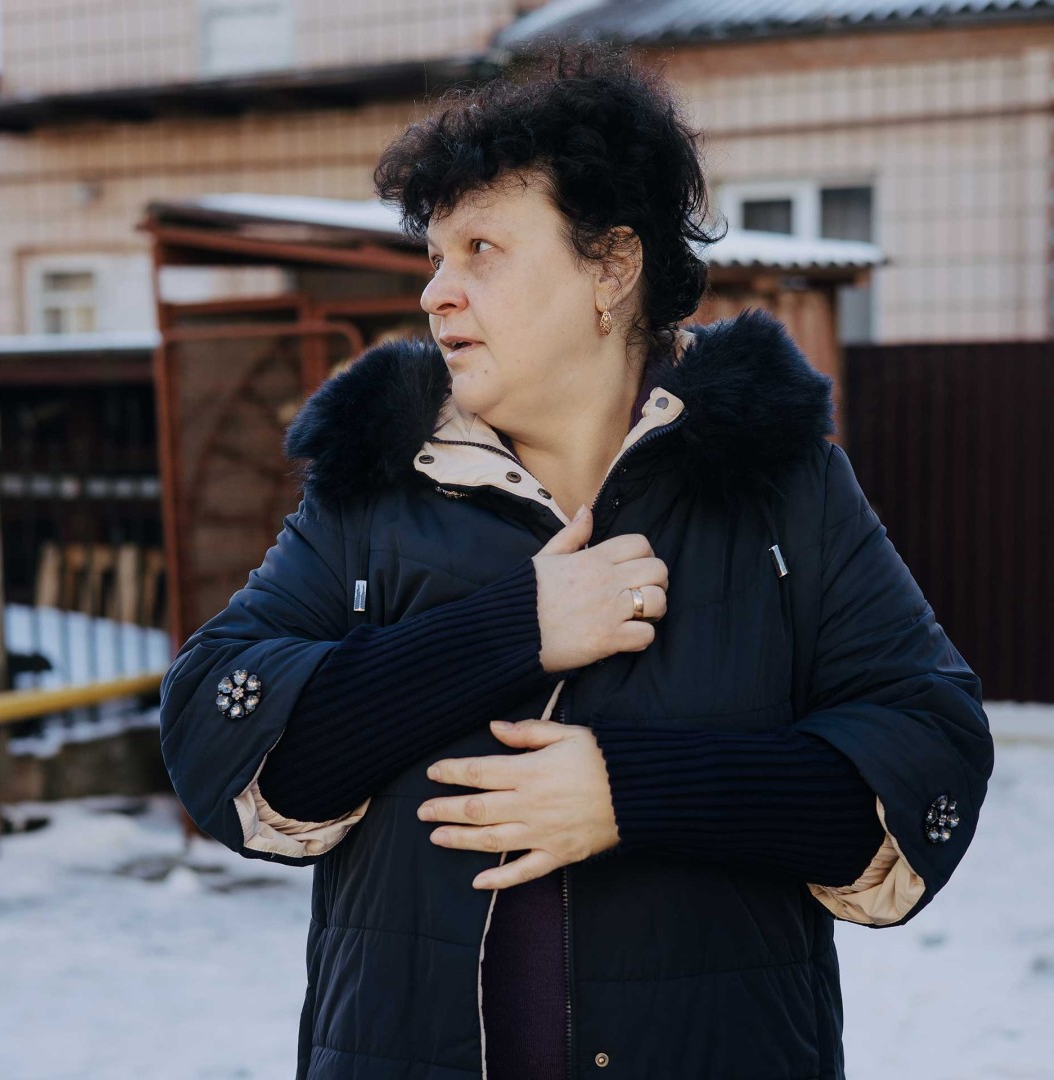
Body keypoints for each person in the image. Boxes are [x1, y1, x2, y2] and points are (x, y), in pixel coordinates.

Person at [159, 41, 994, 1080]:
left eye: (480, 250)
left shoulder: (780, 487)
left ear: (610, 266)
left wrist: (635, 793)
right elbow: (216, 738)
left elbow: (928, 757)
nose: (435, 293)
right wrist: (514, 627)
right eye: (434, 254)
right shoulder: (374, 487)